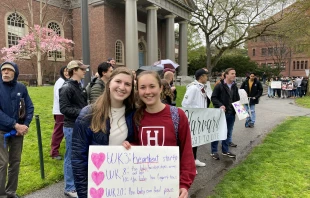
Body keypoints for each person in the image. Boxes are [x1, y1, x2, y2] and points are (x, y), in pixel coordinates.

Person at [123, 71, 196, 198]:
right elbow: (137, 146)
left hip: (171, 185)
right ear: (138, 91)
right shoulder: (135, 117)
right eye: (142, 87)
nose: (147, 92)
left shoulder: (177, 115)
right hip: (143, 185)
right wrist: (128, 146)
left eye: (152, 86)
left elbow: (186, 152)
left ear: (161, 87)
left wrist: (184, 184)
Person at [72, 67, 135, 198]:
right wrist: (84, 194)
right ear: (109, 83)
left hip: (126, 184)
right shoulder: (88, 114)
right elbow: (78, 159)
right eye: (118, 81)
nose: (122, 87)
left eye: (127, 84)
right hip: (98, 185)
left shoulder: (134, 114)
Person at [0, 62, 34, 198]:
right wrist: (15, 125)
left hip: (18, 132)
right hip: (1, 131)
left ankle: (11, 192)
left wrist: (25, 125)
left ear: (15, 73)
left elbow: (30, 107)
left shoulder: (21, 87)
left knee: (15, 162)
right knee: (2, 163)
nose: (6, 72)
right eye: (3, 70)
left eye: (9, 70)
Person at [59, 60, 89, 198]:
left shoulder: (79, 86)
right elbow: (64, 109)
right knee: (71, 157)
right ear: (74, 70)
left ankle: (77, 185)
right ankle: (69, 187)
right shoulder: (66, 88)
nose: (84, 71)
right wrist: (84, 112)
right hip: (71, 127)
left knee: (78, 157)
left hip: (80, 125)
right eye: (82, 69)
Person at [182, 68, 209, 173]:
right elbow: (185, 103)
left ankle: (194, 159)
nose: (207, 77)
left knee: (196, 140)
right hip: (193, 118)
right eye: (206, 76)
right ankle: (189, 164)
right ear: (201, 77)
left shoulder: (201, 88)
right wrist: (195, 112)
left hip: (199, 118)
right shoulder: (193, 88)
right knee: (191, 141)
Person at [210, 68, 239, 160]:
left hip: (231, 113)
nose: (234, 75)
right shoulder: (219, 86)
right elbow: (213, 98)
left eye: (235, 73)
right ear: (226, 75)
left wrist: (239, 111)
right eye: (232, 73)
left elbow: (237, 99)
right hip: (221, 113)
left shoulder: (235, 86)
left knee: (227, 132)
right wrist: (220, 105)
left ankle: (225, 150)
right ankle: (214, 151)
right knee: (217, 132)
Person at [50, 66, 69, 160]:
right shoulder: (61, 81)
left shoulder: (66, 81)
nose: (66, 73)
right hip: (61, 111)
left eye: (68, 71)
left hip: (63, 110)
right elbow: (59, 96)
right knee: (59, 131)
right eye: (65, 71)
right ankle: (54, 152)